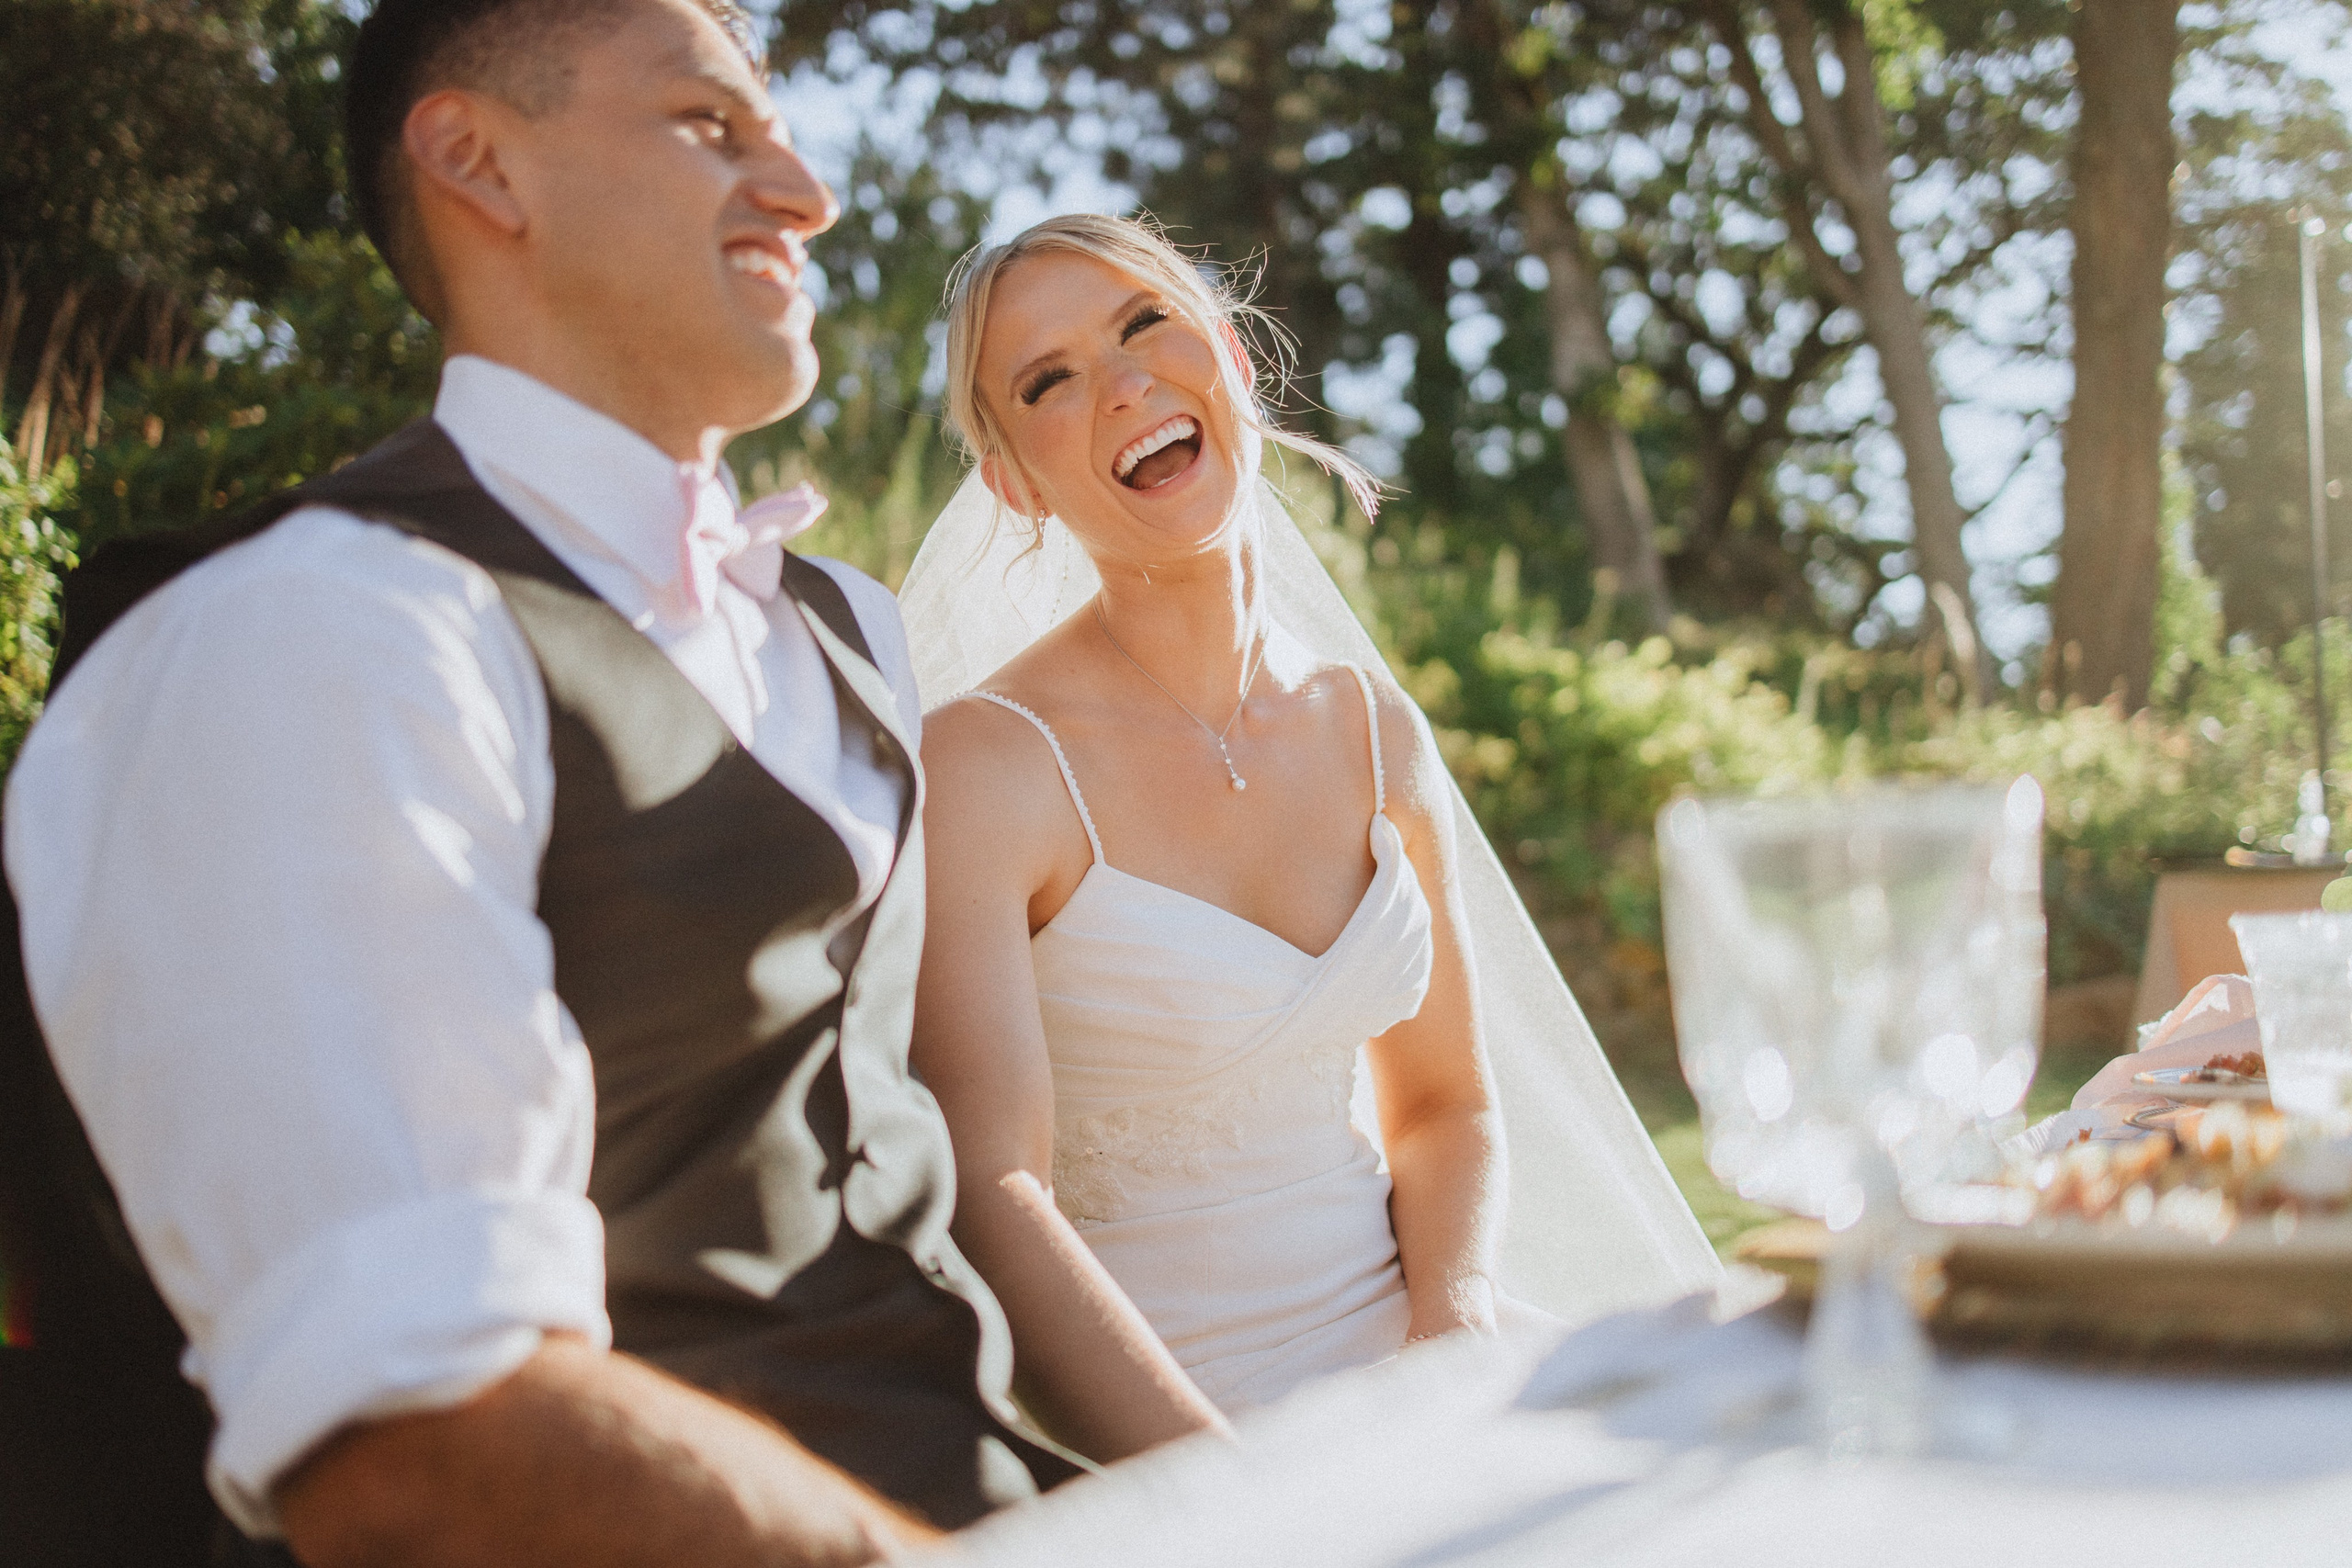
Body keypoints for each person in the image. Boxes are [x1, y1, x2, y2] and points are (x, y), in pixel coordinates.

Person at [3, 2, 1079, 1563]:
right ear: (477, 165)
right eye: (713, 127)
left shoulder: (853, 626)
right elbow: (420, 1446)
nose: (805, 189)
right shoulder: (323, 634)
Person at [897, 214, 1721, 1451]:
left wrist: (1450, 1329)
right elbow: (993, 1192)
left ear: (1226, 354)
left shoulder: (1376, 733)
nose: (1123, 384)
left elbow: (1445, 1104)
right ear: (1013, 478)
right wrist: (1221, 1494)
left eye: (1143, 326)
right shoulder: (988, 764)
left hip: (1417, 1358)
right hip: (1156, 1417)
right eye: (1050, 381)